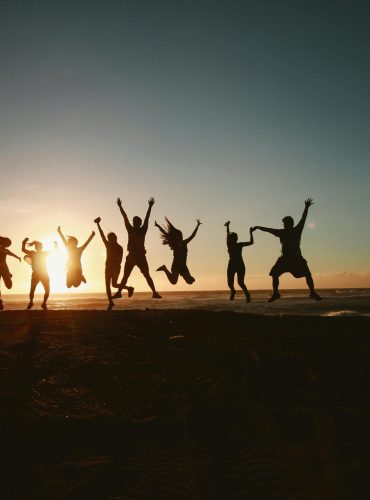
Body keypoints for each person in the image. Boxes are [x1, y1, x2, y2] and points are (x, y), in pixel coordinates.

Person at [253, 198, 322, 302]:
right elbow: (268, 230)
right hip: (285, 259)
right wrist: (258, 227)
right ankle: (276, 293)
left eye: (286, 223)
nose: (284, 225)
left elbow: (303, 219)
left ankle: (312, 292)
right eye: (284, 223)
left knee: (308, 275)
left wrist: (306, 207)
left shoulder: (297, 230)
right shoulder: (281, 232)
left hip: (296, 258)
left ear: (291, 223)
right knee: (274, 274)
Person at [113, 197, 161, 299]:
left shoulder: (143, 230)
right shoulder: (130, 229)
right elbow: (125, 217)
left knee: (147, 275)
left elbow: (147, 218)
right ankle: (119, 293)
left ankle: (154, 292)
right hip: (131, 256)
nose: (134, 223)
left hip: (140, 257)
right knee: (125, 276)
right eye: (134, 221)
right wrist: (120, 206)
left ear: (139, 223)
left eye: (136, 222)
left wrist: (150, 207)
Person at [94, 217, 134, 310]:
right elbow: (102, 235)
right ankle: (111, 302)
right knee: (109, 285)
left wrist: (115, 267)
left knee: (114, 285)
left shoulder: (119, 247)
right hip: (108, 268)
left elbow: (119, 259)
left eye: (113, 238)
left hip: (116, 268)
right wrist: (98, 224)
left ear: (116, 238)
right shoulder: (108, 245)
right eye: (110, 238)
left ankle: (128, 289)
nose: (112, 239)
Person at [155, 218, 201, 285]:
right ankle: (164, 268)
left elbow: (193, 235)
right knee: (173, 282)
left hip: (183, 265)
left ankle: (189, 278)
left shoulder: (184, 242)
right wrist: (158, 226)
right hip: (176, 265)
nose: (179, 237)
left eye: (180, 236)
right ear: (175, 237)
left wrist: (197, 225)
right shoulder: (174, 245)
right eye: (178, 236)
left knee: (190, 282)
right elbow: (165, 233)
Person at [224, 221, 254, 302]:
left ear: (236, 239)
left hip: (240, 264)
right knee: (230, 283)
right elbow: (227, 235)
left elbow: (251, 242)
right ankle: (233, 291)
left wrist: (251, 233)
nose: (234, 239)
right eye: (232, 238)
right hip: (232, 264)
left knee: (240, 282)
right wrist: (227, 226)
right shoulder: (229, 244)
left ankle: (247, 295)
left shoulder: (239, 244)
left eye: (235, 238)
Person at [22, 238, 55, 310]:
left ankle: (43, 303)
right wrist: (23, 242)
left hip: (43, 274)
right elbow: (23, 250)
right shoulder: (33, 253)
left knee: (47, 290)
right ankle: (31, 302)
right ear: (36, 247)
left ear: (41, 247)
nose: (39, 248)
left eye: (40, 246)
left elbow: (54, 251)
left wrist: (56, 245)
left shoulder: (44, 253)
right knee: (33, 289)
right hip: (37, 274)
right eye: (38, 246)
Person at [0, 237, 21, 310]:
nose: (5, 244)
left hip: (5, 269)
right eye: (4, 243)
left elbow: (12, 254)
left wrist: (18, 257)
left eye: (7, 244)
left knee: (9, 286)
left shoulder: (6, 250)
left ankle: (8, 276)